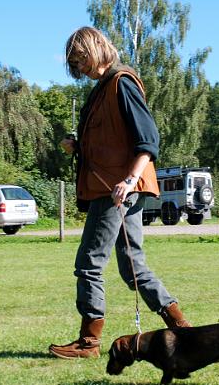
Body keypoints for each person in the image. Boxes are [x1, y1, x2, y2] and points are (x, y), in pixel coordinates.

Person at [49, 27, 191, 360]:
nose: (79, 67)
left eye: (80, 58)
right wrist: (79, 146)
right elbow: (112, 140)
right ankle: (183, 331)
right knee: (133, 268)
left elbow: (148, 139)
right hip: (116, 186)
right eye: (73, 63)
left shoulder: (121, 83)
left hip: (117, 189)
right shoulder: (101, 90)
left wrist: (128, 180)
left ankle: (88, 343)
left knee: (89, 263)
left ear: (95, 49)